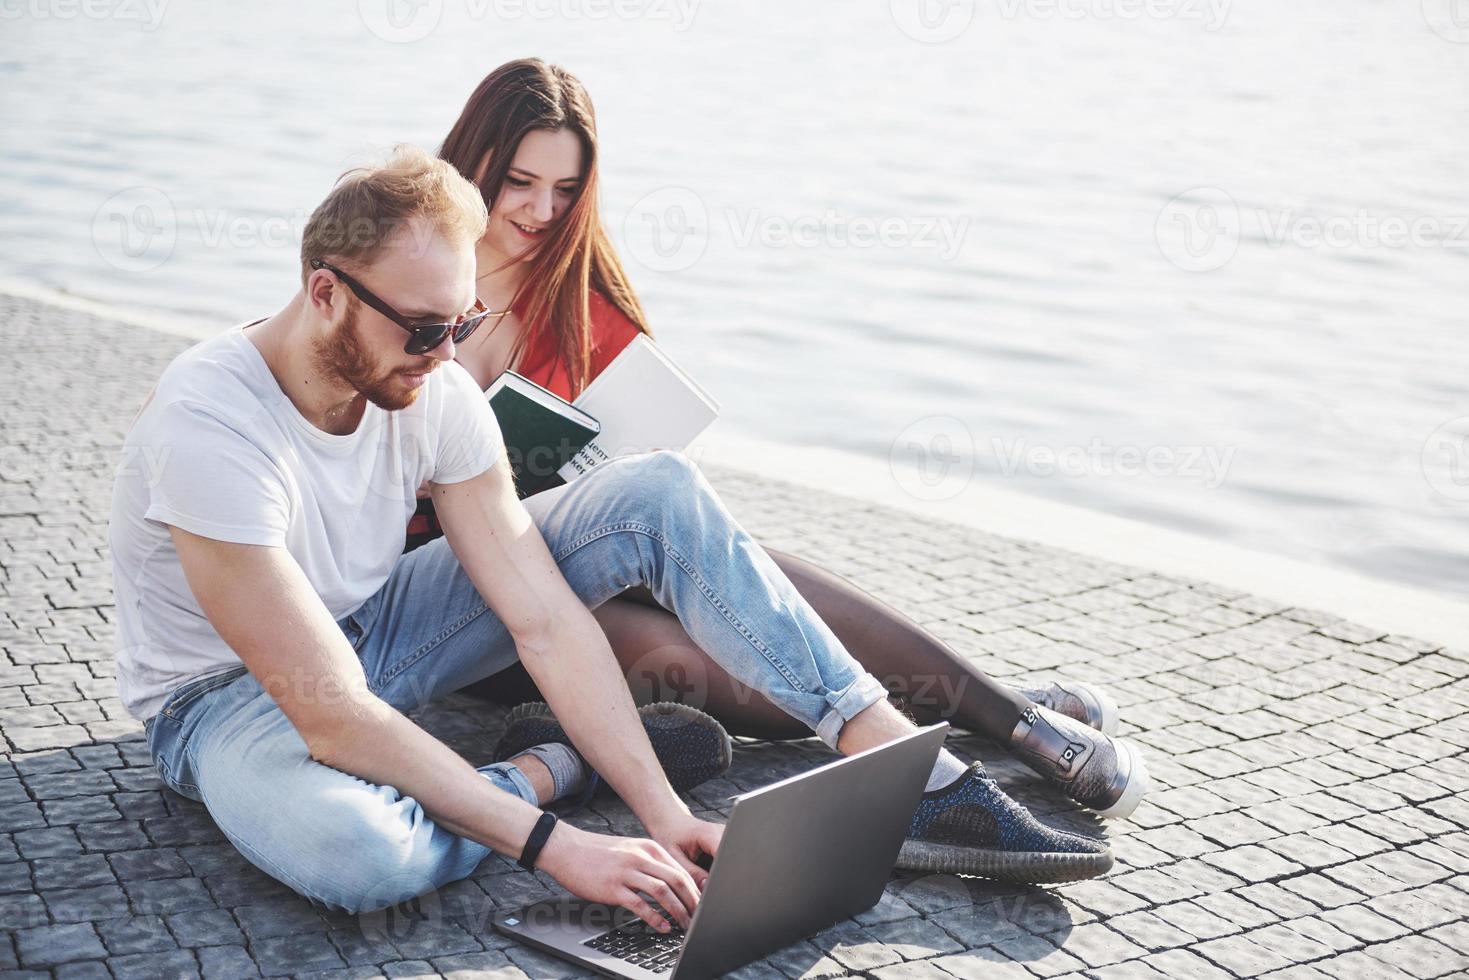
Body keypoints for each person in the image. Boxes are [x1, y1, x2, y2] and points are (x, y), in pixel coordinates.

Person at [109, 147, 1112, 933]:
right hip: (230, 704)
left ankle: (900, 766)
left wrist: (663, 810)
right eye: (421, 329)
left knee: (654, 490)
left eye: (460, 323)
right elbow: (330, 716)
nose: (444, 354)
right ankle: (548, 764)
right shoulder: (212, 423)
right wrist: (555, 841)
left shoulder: (433, 387)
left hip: (374, 629)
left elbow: (540, 613)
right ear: (325, 291)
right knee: (360, 859)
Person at [409, 58, 1149, 823]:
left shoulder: (575, 299)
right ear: (473, 165)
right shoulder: (404, 271)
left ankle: (1014, 724)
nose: (540, 210)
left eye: (565, 191)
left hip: (571, 549)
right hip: (453, 593)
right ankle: (959, 707)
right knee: (710, 667)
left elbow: (628, 454)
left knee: (738, 573)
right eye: (520, 182)